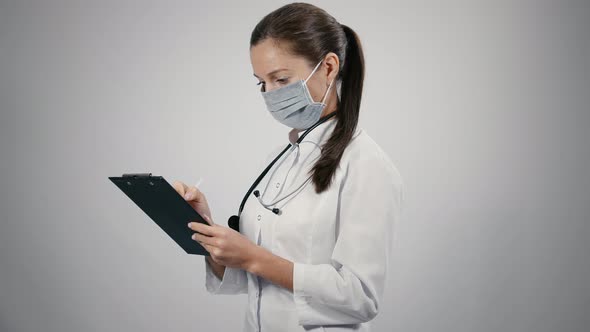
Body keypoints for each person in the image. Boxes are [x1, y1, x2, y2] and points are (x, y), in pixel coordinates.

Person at [173, 2, 404, 331]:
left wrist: (253, 257)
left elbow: (360, 297)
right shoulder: (280, 160)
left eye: (280, 79)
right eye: (261, 83)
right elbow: (253, 282)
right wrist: (210, 231)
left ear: (328, 67)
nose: (269, 93)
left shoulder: (366, 165)